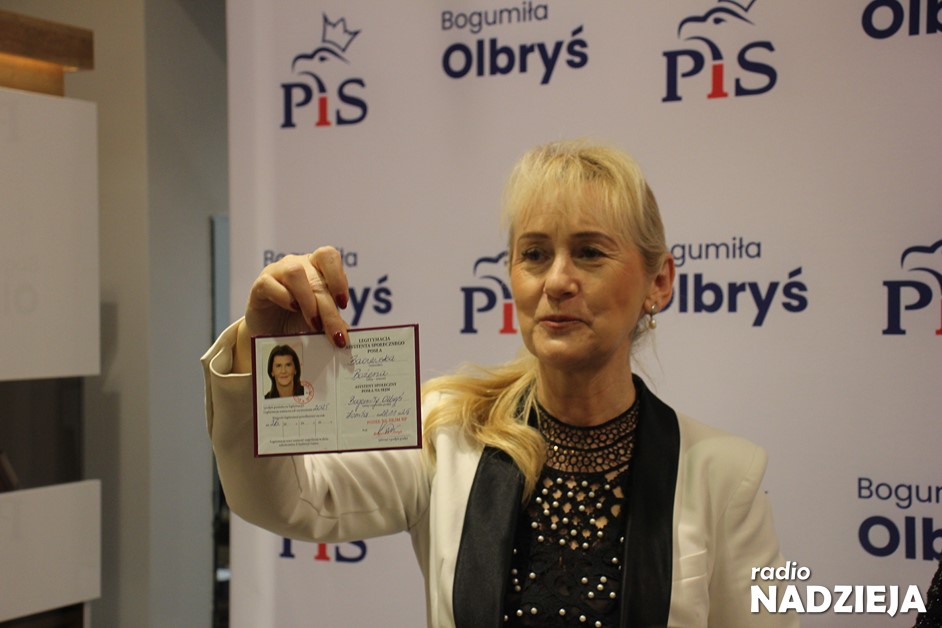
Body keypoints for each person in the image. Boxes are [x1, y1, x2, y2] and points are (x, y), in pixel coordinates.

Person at [202, 139, 797, 627]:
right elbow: (283, 501)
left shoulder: (727, 475)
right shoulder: (445, 434)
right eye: (534, 254)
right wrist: (262, 352)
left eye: (590, 253)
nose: (556, 281)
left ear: (658, 282)